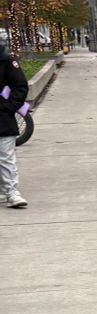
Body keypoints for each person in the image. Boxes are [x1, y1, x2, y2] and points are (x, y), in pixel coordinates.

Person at [0, 43, 29, 208]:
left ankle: (12, 192)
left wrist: (9, 107)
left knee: (5, 157)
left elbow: (20, 86)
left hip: (3, 118)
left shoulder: (6, 61)